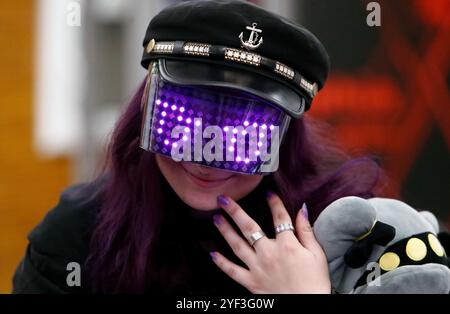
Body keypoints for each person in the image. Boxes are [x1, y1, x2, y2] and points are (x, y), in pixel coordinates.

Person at [13, 0, 383, 294]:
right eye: (185, 119)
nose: (206, 161)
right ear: (147, 108)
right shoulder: (75, 238)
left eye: (242, 134)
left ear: (285, 138)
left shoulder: (346, 235)